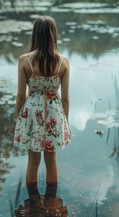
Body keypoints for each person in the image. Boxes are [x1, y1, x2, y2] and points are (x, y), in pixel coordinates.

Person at [13, 15, 71, 193]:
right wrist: (64, 122)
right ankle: (52, 200)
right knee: (51, 160)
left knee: (33, 160)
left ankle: (33, 202)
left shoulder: (25, 60)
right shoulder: (63, 62)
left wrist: (19, 118)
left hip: (32, 113)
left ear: (35, 34)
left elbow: (21, 96)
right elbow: (66, 98)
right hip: (54, 112)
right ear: (54, 34)